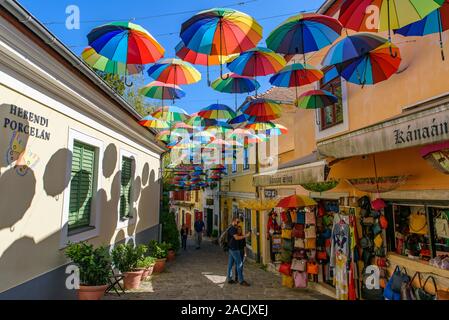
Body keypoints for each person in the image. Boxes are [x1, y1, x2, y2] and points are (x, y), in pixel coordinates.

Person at [227, 217, 251, 286]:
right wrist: (246, 236)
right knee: (239, 264)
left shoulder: (231, 228)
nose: (238, 224)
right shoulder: (232, 228)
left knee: (230, 264)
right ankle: (241, 280)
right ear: (233, 221)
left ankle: (229, 279)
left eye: (238, 222)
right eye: (237, 222)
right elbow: (236, 238)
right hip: (234, 249)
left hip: (231, 248)